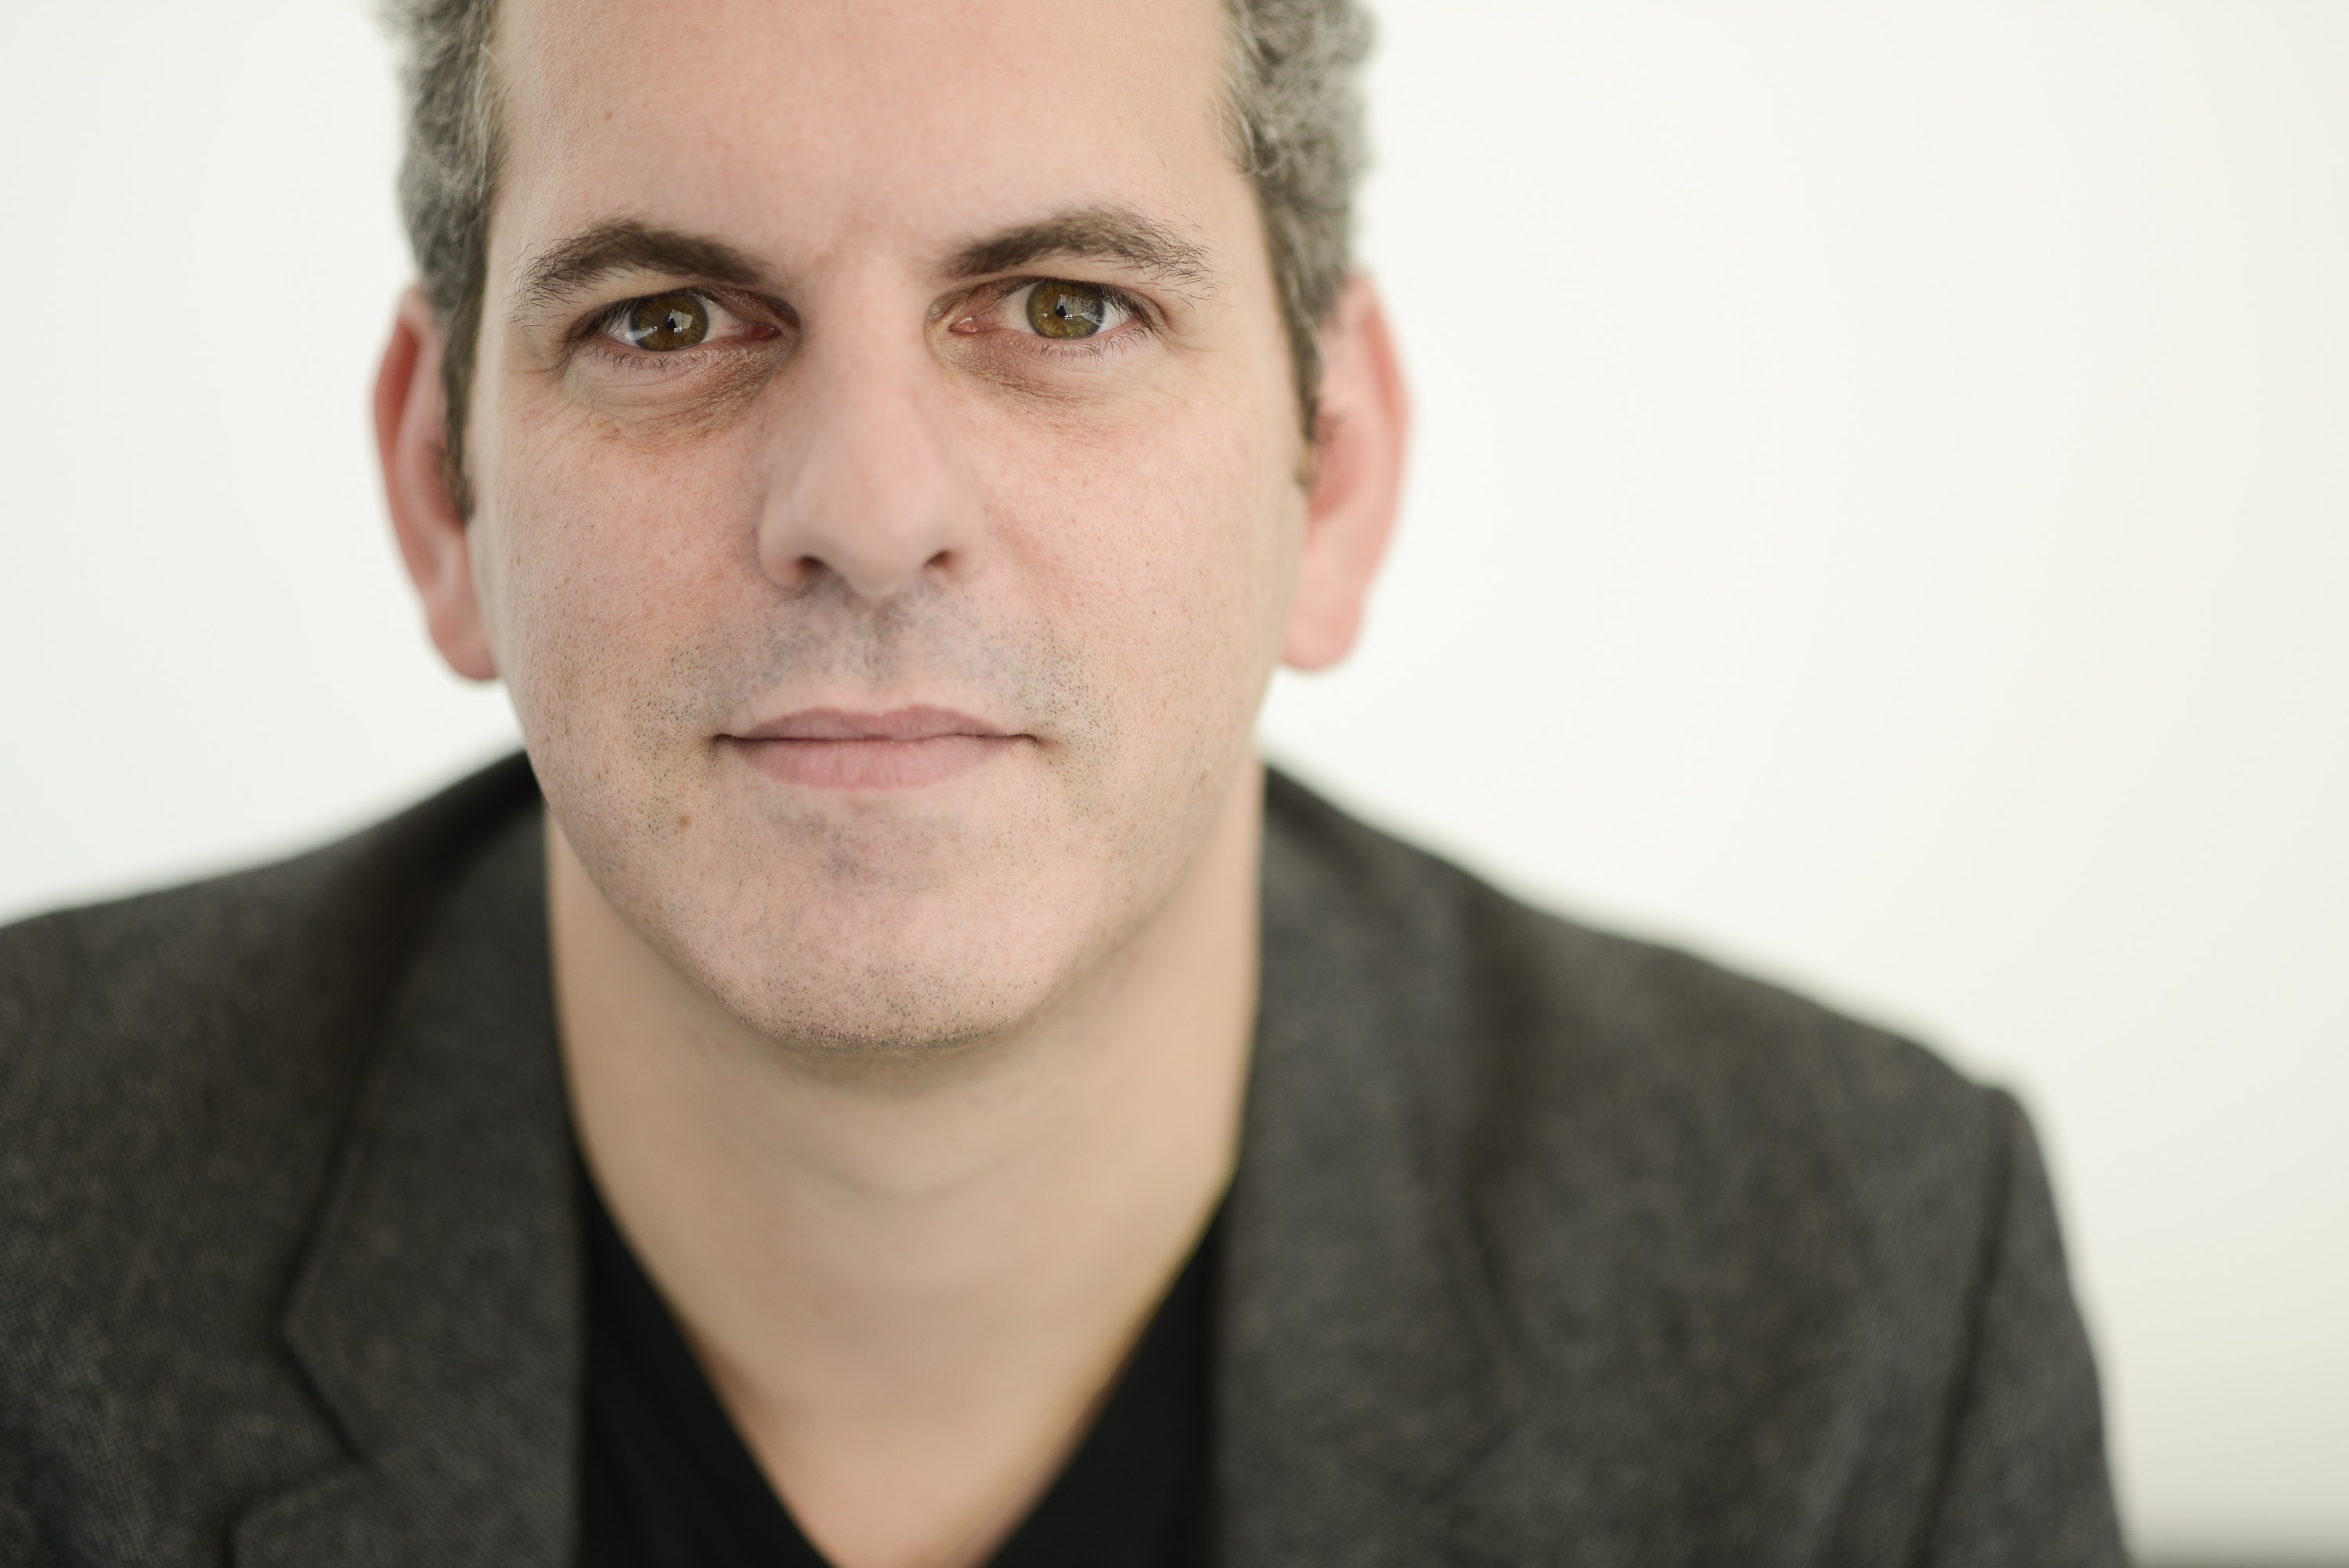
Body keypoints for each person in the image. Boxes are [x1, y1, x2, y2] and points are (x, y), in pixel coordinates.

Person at [0, 0, 2128, 1563]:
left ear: (1334, 473)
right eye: (665, 322)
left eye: (1061, 304)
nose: (868, 511)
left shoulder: (1860, 1289)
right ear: (438, 487)